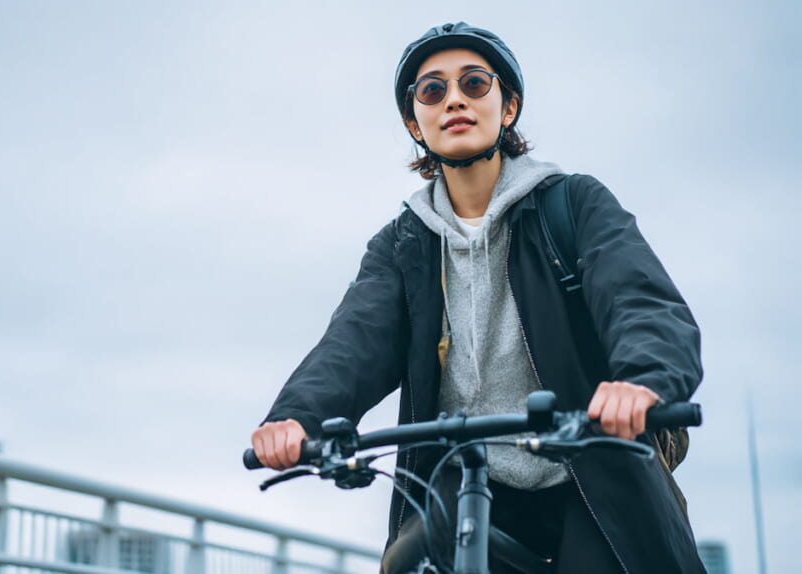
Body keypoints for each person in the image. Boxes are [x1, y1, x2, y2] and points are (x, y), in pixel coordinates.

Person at [250, 21, 704, 574]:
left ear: (507, 108)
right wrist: (298, 417)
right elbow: (354, 340)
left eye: (474, 84)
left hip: (586, 466)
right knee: (409, 563)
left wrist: (643, 381)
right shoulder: (404, 244)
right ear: (414, 120)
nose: (454, 101)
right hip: (468, 476)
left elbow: (640, 300)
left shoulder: (573, 204)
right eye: (433, 91)